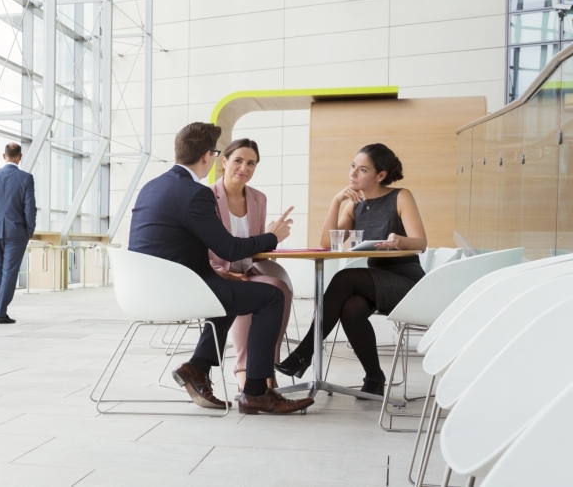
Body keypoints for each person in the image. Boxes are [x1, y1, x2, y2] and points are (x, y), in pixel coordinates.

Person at [128, 122, 313, 415]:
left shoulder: (152, 186)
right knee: (271, 296)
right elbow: (228, 248)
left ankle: (197, 368)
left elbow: (175, 246)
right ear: (209, 156)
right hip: (177, 291)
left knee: (229, 290)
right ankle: (256, 391)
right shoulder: (195, 193)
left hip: (145, 289)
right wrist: (273, 236)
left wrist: (218, 273)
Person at [275, 143, 427, 395]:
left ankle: (304, 354)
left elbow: (420, 242)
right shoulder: (354, 205)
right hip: (377, 280)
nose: (353, 173)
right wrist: (336, 201)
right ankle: (375, 379)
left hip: (406, 281)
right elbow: (327, 244)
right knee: (351, 308)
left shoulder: (401, 196)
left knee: (345, 277)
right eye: (353, 166)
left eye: (363, 169)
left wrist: (399, 241)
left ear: (380, 176)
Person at [208, 138, 294, 391]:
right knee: (253, 293)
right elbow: (201, 246)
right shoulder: (208, 197)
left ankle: (265, 367)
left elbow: (256, 247)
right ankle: (244, 368)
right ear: (224, 162)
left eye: (251, 163)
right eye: (238, 161)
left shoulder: (258, 198)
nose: (244, 168)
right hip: (216, 271)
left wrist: (271, 235)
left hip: (246, 268)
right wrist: (224, 272)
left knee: (279, 287)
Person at [0, 142, 36, 324]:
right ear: (20, 157)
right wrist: (29, 229)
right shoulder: (26, 178)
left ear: (4, 156)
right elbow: (30, 207)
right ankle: (1, 312)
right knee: (10, 271)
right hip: (17, 231)